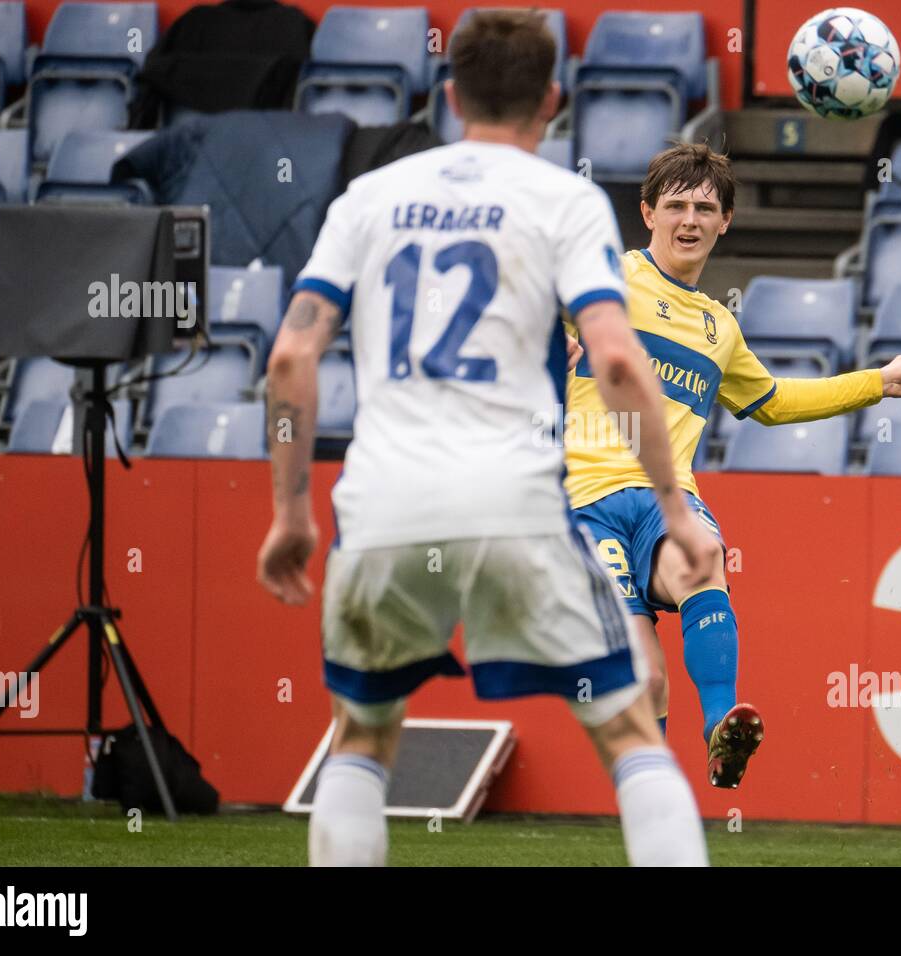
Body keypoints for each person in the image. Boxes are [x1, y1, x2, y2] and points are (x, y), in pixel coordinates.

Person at [256, 11, 720, 867]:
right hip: (519, 504)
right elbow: (616, 360)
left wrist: (289, 510)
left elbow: (289, 357)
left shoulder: (370, 198)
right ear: (552, 98)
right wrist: (674, 507)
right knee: (629, 728)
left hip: (385, 507)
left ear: (447, 93)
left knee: (359, 738)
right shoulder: (566, 200)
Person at [563, 143, 901, 788]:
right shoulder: (606, 279)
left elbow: (773, 402)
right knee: (644, 674)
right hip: (583, 498)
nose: (690, 220)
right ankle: (651, 808)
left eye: (704, 208)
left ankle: (720, 729)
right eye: (675, 205)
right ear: (648, 212)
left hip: (664, 498)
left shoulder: (718, 327)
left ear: (725, 221)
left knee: (705, 556)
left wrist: (877, 382)